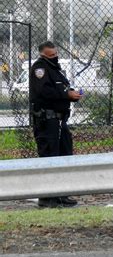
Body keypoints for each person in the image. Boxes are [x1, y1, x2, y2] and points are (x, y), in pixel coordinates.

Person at [29, 41, 82, 208]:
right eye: (51, 56)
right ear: (43, 55)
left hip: (59, 121)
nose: (55, 57)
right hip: (47, 121)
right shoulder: (40, 69)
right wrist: (67, 95)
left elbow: (61, 88)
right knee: (49, 156)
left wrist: (72, 93)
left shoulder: (56, 70)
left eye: (55, 54)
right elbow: (44, 92)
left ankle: (61, 194)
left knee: (64, 154)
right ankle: (47, 197)